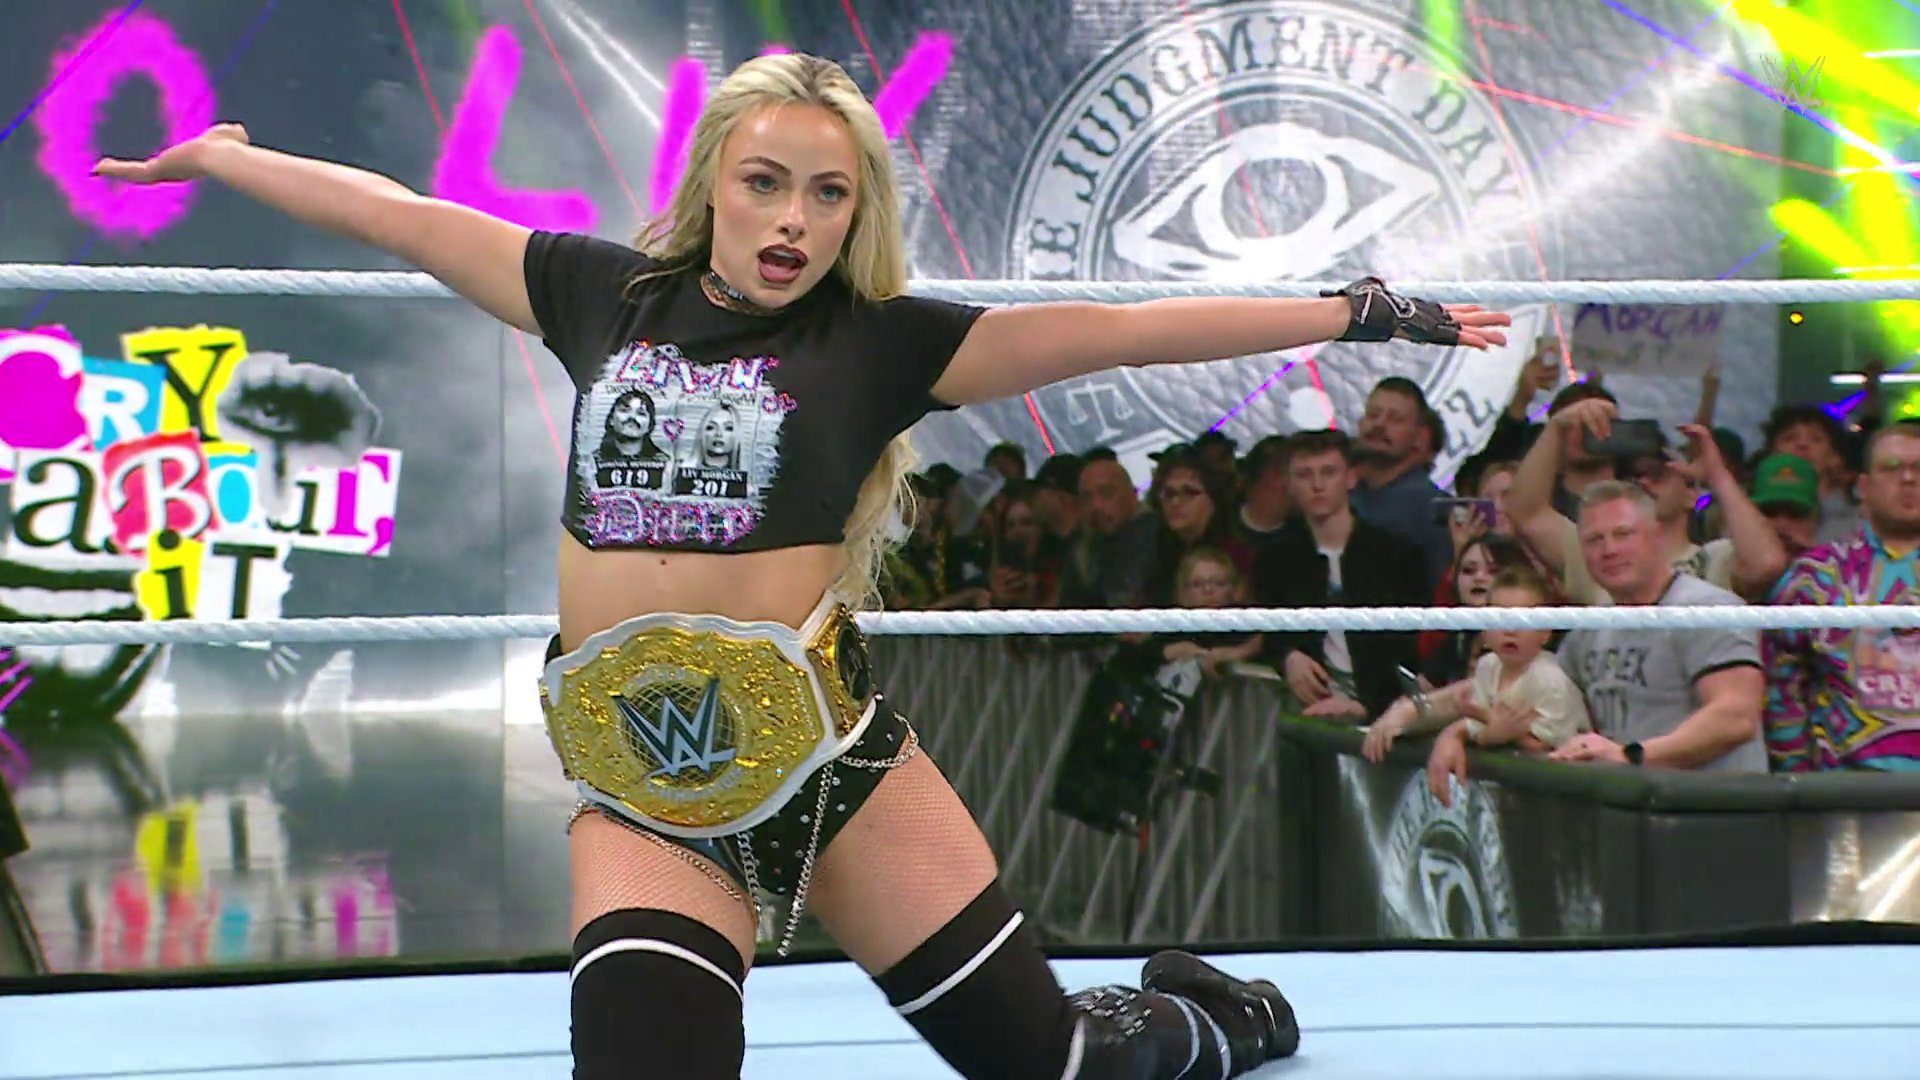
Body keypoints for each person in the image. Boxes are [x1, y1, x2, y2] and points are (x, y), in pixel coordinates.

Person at [95, 53, 1508, 1080]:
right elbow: (400, 218)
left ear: (853, 214)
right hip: (644, 792)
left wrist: (1353, 310)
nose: (790, 221)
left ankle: (1223, 1015)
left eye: (826, 196)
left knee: (1058, 1065)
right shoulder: (599, 293)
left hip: (828, 772)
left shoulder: (883, 345)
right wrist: (223, 160)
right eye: (765, 183)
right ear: (713, 179)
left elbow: (1120, 329)